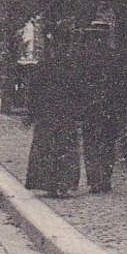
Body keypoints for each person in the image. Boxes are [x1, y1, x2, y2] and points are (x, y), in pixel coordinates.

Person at [24, 24, 82, 198]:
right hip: (53, 113)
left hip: (58, 114)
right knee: (52, 147)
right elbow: (34, 91)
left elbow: (78, 91)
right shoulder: (49, 67)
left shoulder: (67, 67)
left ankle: (59, 184)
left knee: (58, 147)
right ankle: (54, 184)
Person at [77, 20, 124, 193]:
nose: (98, 40)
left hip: (106, 107)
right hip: (93, 107)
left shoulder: (113, 57)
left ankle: (103, 179)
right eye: (95, 36)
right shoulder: (85, 57)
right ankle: (97, 179)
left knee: (105, 143)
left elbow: (120, 83)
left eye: (101, 36)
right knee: (94, 143)